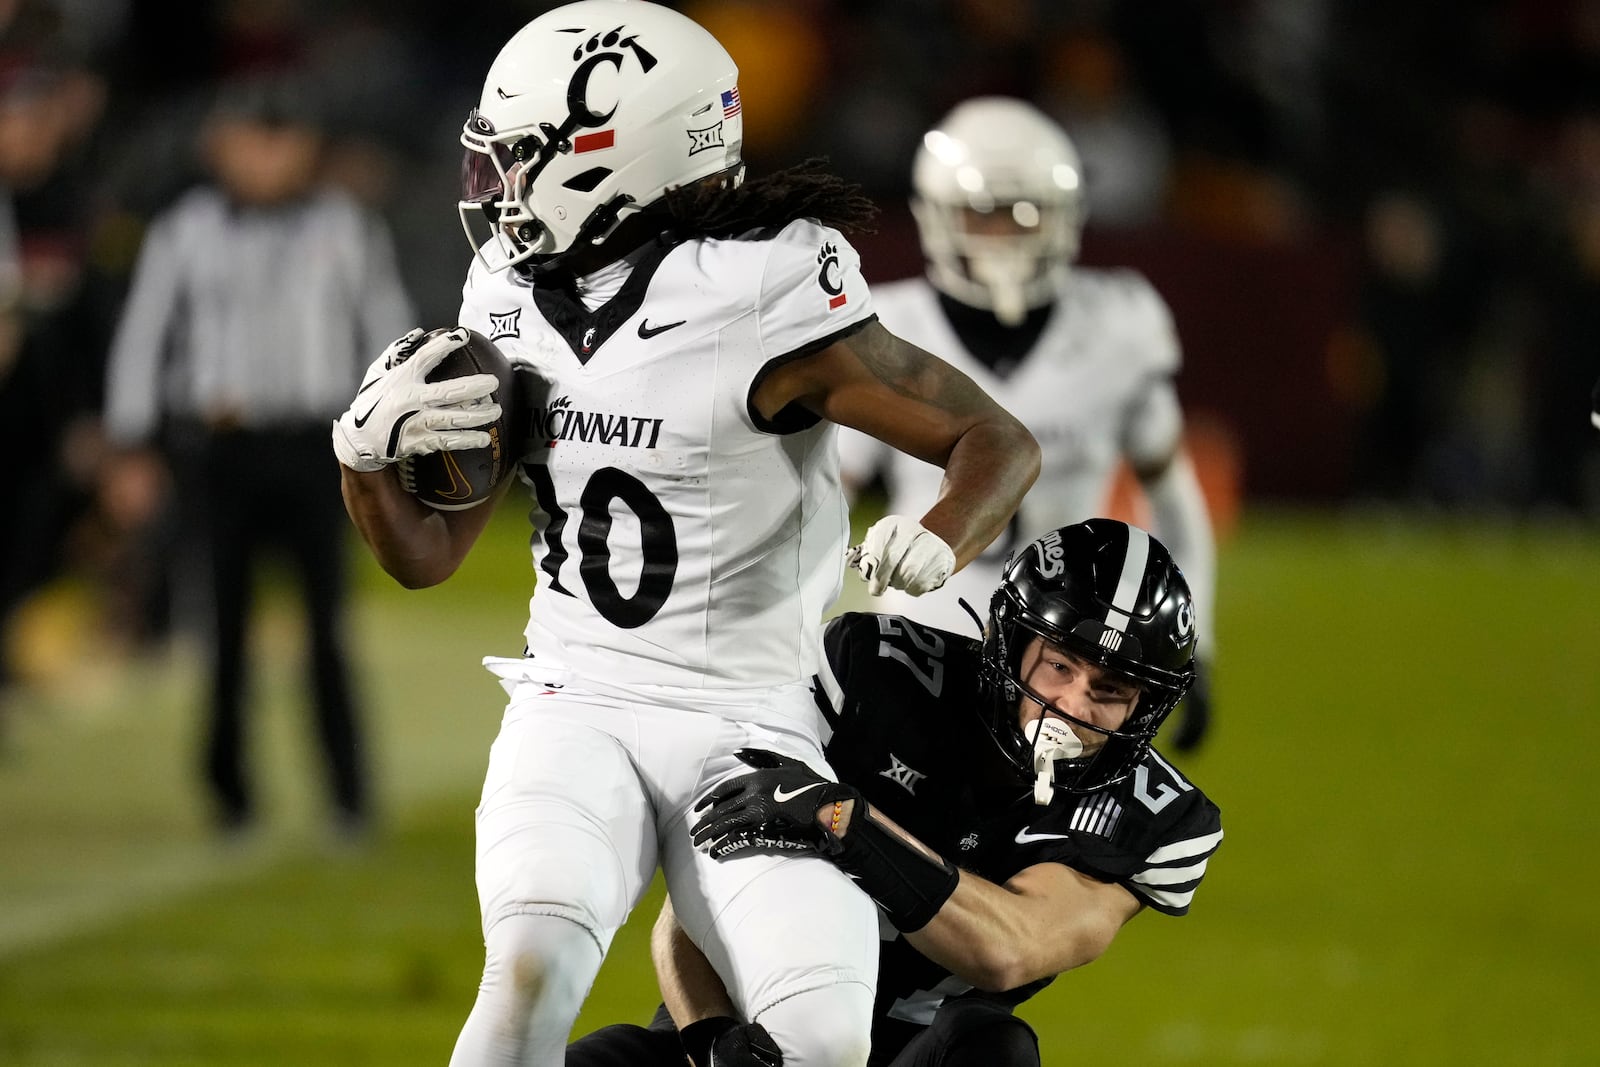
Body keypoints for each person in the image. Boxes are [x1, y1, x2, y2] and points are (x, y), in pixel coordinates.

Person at [330, 4, 1039, 1065]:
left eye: (525, 159)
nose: (501, 187)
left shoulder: (766, 284)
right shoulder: (509, 292)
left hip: (751, 718)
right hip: (578, 700)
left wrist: (940, 535)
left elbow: (994, 438)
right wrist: (363, 464)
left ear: (618, 156)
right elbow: (427, 557)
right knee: (530, 964)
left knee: (825, 1030)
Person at [566, 519, 1223, 1067]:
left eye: (1109, 689)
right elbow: (693, 902)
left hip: (912, 1052)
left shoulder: (1155, 816)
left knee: (993, 1049)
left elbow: (1011, 946)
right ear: (1007, 642)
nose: (1072, 707)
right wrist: (712, 1040)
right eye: (1059, 665)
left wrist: (847, 824)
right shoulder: (869, 673)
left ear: (1148, 705)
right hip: (749, 1026)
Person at [837, 97, 1219, 752]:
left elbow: (1173, 495)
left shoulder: (1118, 324)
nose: (1008, 234)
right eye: (985, 214)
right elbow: (823, 498)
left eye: (1027, 212)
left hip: (1079, 649)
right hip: (919, 638)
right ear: (938, 215)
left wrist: (1197, 641)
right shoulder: (888, 326)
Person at [100, 72, 416, 838]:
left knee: (326, 626)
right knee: (225, 628)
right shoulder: (187, 227)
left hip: (319, 448)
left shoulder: (346, 225)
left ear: (307, 148)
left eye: (282, 140)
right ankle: (230, 795)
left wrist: (396, 439)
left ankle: (348, 793)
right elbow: (146, 334)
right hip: (221, 449)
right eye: (252, 139)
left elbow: (388, 330)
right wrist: (132, 443)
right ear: (219, 145)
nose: (267, 158)